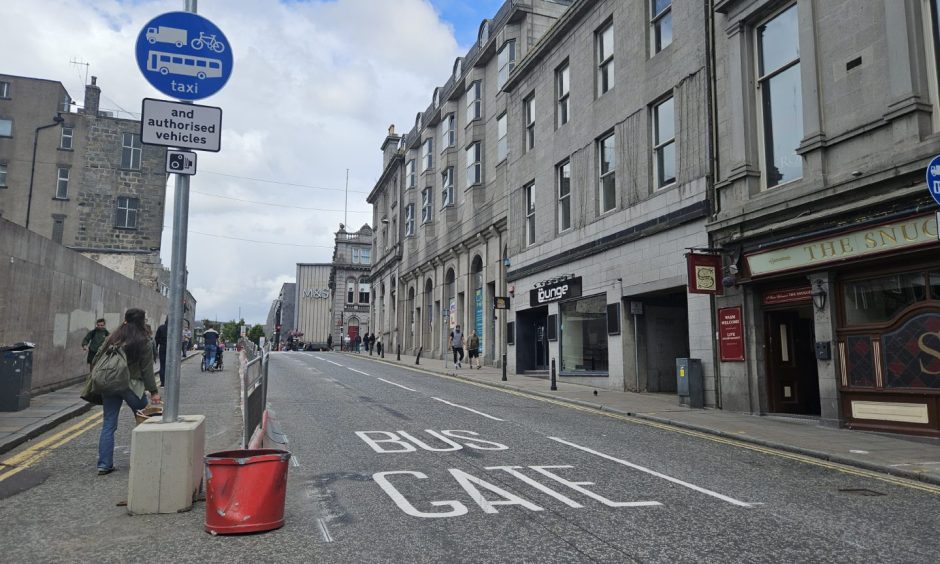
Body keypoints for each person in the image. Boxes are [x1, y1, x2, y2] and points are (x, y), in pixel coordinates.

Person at [95, 308, 160, 475]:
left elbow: (97, 358)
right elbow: (147, 370)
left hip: (110, 383)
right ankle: (148, 460)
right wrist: (153, 392)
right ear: (142, 321)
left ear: (126, 319)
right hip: (131, 386)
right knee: (146, 421)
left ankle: (104, 464)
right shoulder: (143, 340)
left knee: (108, 424)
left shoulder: (113, 337)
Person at [154, 319, 168, 387]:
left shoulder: (161, 327)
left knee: (162, 365)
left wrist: (155, 348)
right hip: (172, 349)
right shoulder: (175, 328)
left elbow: (156, 338)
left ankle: (163, 383)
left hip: (163, 347)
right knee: (171, 365)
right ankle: (170, 381)